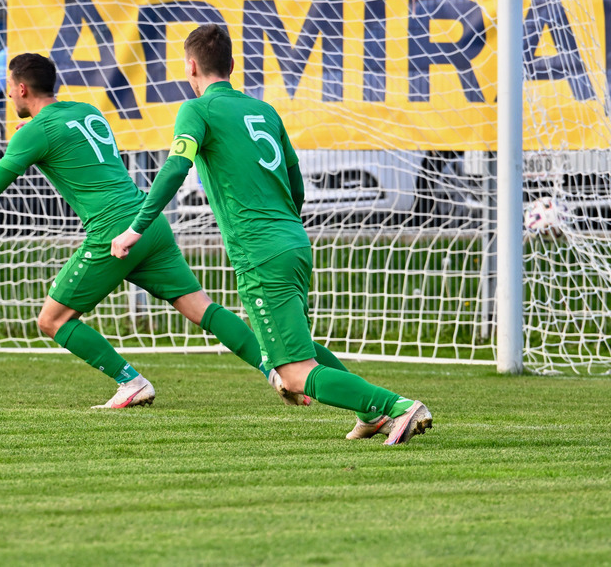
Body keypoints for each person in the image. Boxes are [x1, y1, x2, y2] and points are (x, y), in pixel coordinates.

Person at [111, 24, 433, 444]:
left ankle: (397, 406)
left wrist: (136, 227)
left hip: (261, 253)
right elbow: (295, 183)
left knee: (293, 372)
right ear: (231, 64)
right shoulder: (264, 112)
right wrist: (283, 228)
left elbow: (175, 167)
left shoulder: (198, 110)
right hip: (294, 241)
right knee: (302, 346)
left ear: (190, 66)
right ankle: (367, 412)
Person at [0, 53, 273, 408]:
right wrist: (30, 137)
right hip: (147, 222)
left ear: (22, 88)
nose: (8, 95)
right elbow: (74, 151)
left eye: (9, 89)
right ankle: (278, 371)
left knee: (52, 320)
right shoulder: (87, 111)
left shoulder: (34, 133)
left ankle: (131, 382)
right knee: (204, 310)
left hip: (112, 232)